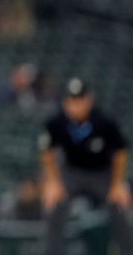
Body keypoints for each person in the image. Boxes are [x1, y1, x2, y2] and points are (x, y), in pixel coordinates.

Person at [39, 77, 133, 255]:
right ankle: (52, 252)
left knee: (119, 204)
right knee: (54, 202)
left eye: (80, 100)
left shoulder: (103, 122)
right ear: (66, 102)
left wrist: (118, 183)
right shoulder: (57, 122)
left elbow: (121, 152)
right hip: (72, 172)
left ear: (89, 99)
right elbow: (47, 151)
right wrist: (53, 181)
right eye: (71, 100)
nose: (75, 105)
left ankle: (128, 250)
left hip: (101, 172)